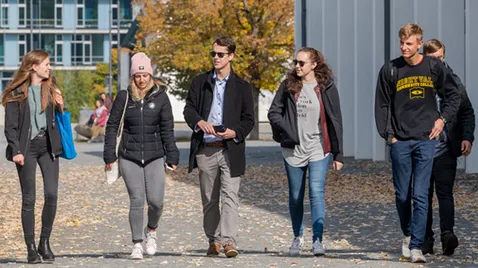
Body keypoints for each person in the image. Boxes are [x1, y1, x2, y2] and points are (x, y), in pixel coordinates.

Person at [374, 24, 461, 263]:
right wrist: (388, 135)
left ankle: (416, 247)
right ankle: (408, 233)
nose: (404, 47)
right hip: (400, 141)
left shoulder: (434, 67)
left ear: (419, 43)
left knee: (421, 195)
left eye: (409, 43)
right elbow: (382, 104)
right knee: (403, 195)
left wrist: (442, 120)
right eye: (401, 42)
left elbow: (455, 95)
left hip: (426, 140)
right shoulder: (391, 69)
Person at [268, 47, 344, 257]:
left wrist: (338, 153)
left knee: (316, 192)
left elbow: (336, 120)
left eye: (302, 63)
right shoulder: (289, 86)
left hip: (318, 149)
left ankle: (318, 240)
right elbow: (273, 112)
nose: (297, 66)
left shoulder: (326, 87)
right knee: (295, 196)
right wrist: (287, 129)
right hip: (293, 150)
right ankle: (297, 237)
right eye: (296, 62)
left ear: (314, 64)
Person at [183, 36, 254, 258]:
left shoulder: (242, 87)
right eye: (213, 53)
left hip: (230, 149)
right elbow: (188, 110)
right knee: (210, 199)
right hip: (206, 149)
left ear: (231, 56)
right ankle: (213, 241)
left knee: (230, 196)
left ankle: (229, 241)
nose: (216, 57)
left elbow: (249, 119)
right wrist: (199, 122)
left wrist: (235, 132)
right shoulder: (200, 82)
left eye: (220, 54)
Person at [104, 52, 179, 260]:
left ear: (151, 75)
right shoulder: (124, 97)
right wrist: (109, 155)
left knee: (156, 202)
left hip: (155, 156)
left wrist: (172, 155)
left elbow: (167, 129)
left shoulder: (161, 97)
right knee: (137, 199)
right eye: (138, 75)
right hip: (129, 156)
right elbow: (112, 127)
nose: (142, 79)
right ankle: (137, 243)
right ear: (133, 76)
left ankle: (152, 231)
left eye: (145, 75)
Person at [2, 50, 64, 264]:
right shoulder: (17, 93)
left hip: (47, 146)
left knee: (52, 195)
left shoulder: (51, 88)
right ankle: (30, 248)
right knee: (29, 198)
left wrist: (60, 104)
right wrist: (16, 150)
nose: (49, 67)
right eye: (46, 64)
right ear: (33, 66)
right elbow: (10, 127)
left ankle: (44, 242)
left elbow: (60, 119)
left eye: (49, 64)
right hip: (26, 149)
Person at [422, 39, 475, 256]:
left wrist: (467, 137)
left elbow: (467, 111)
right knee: (423, 195)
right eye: (434, 58)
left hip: (445, 148)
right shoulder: (419, 81)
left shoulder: (453, 81)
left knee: (445, 194)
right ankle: (426, 240)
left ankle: (447, 235)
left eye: (441, 58)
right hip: (422, 149)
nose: (438, 62)